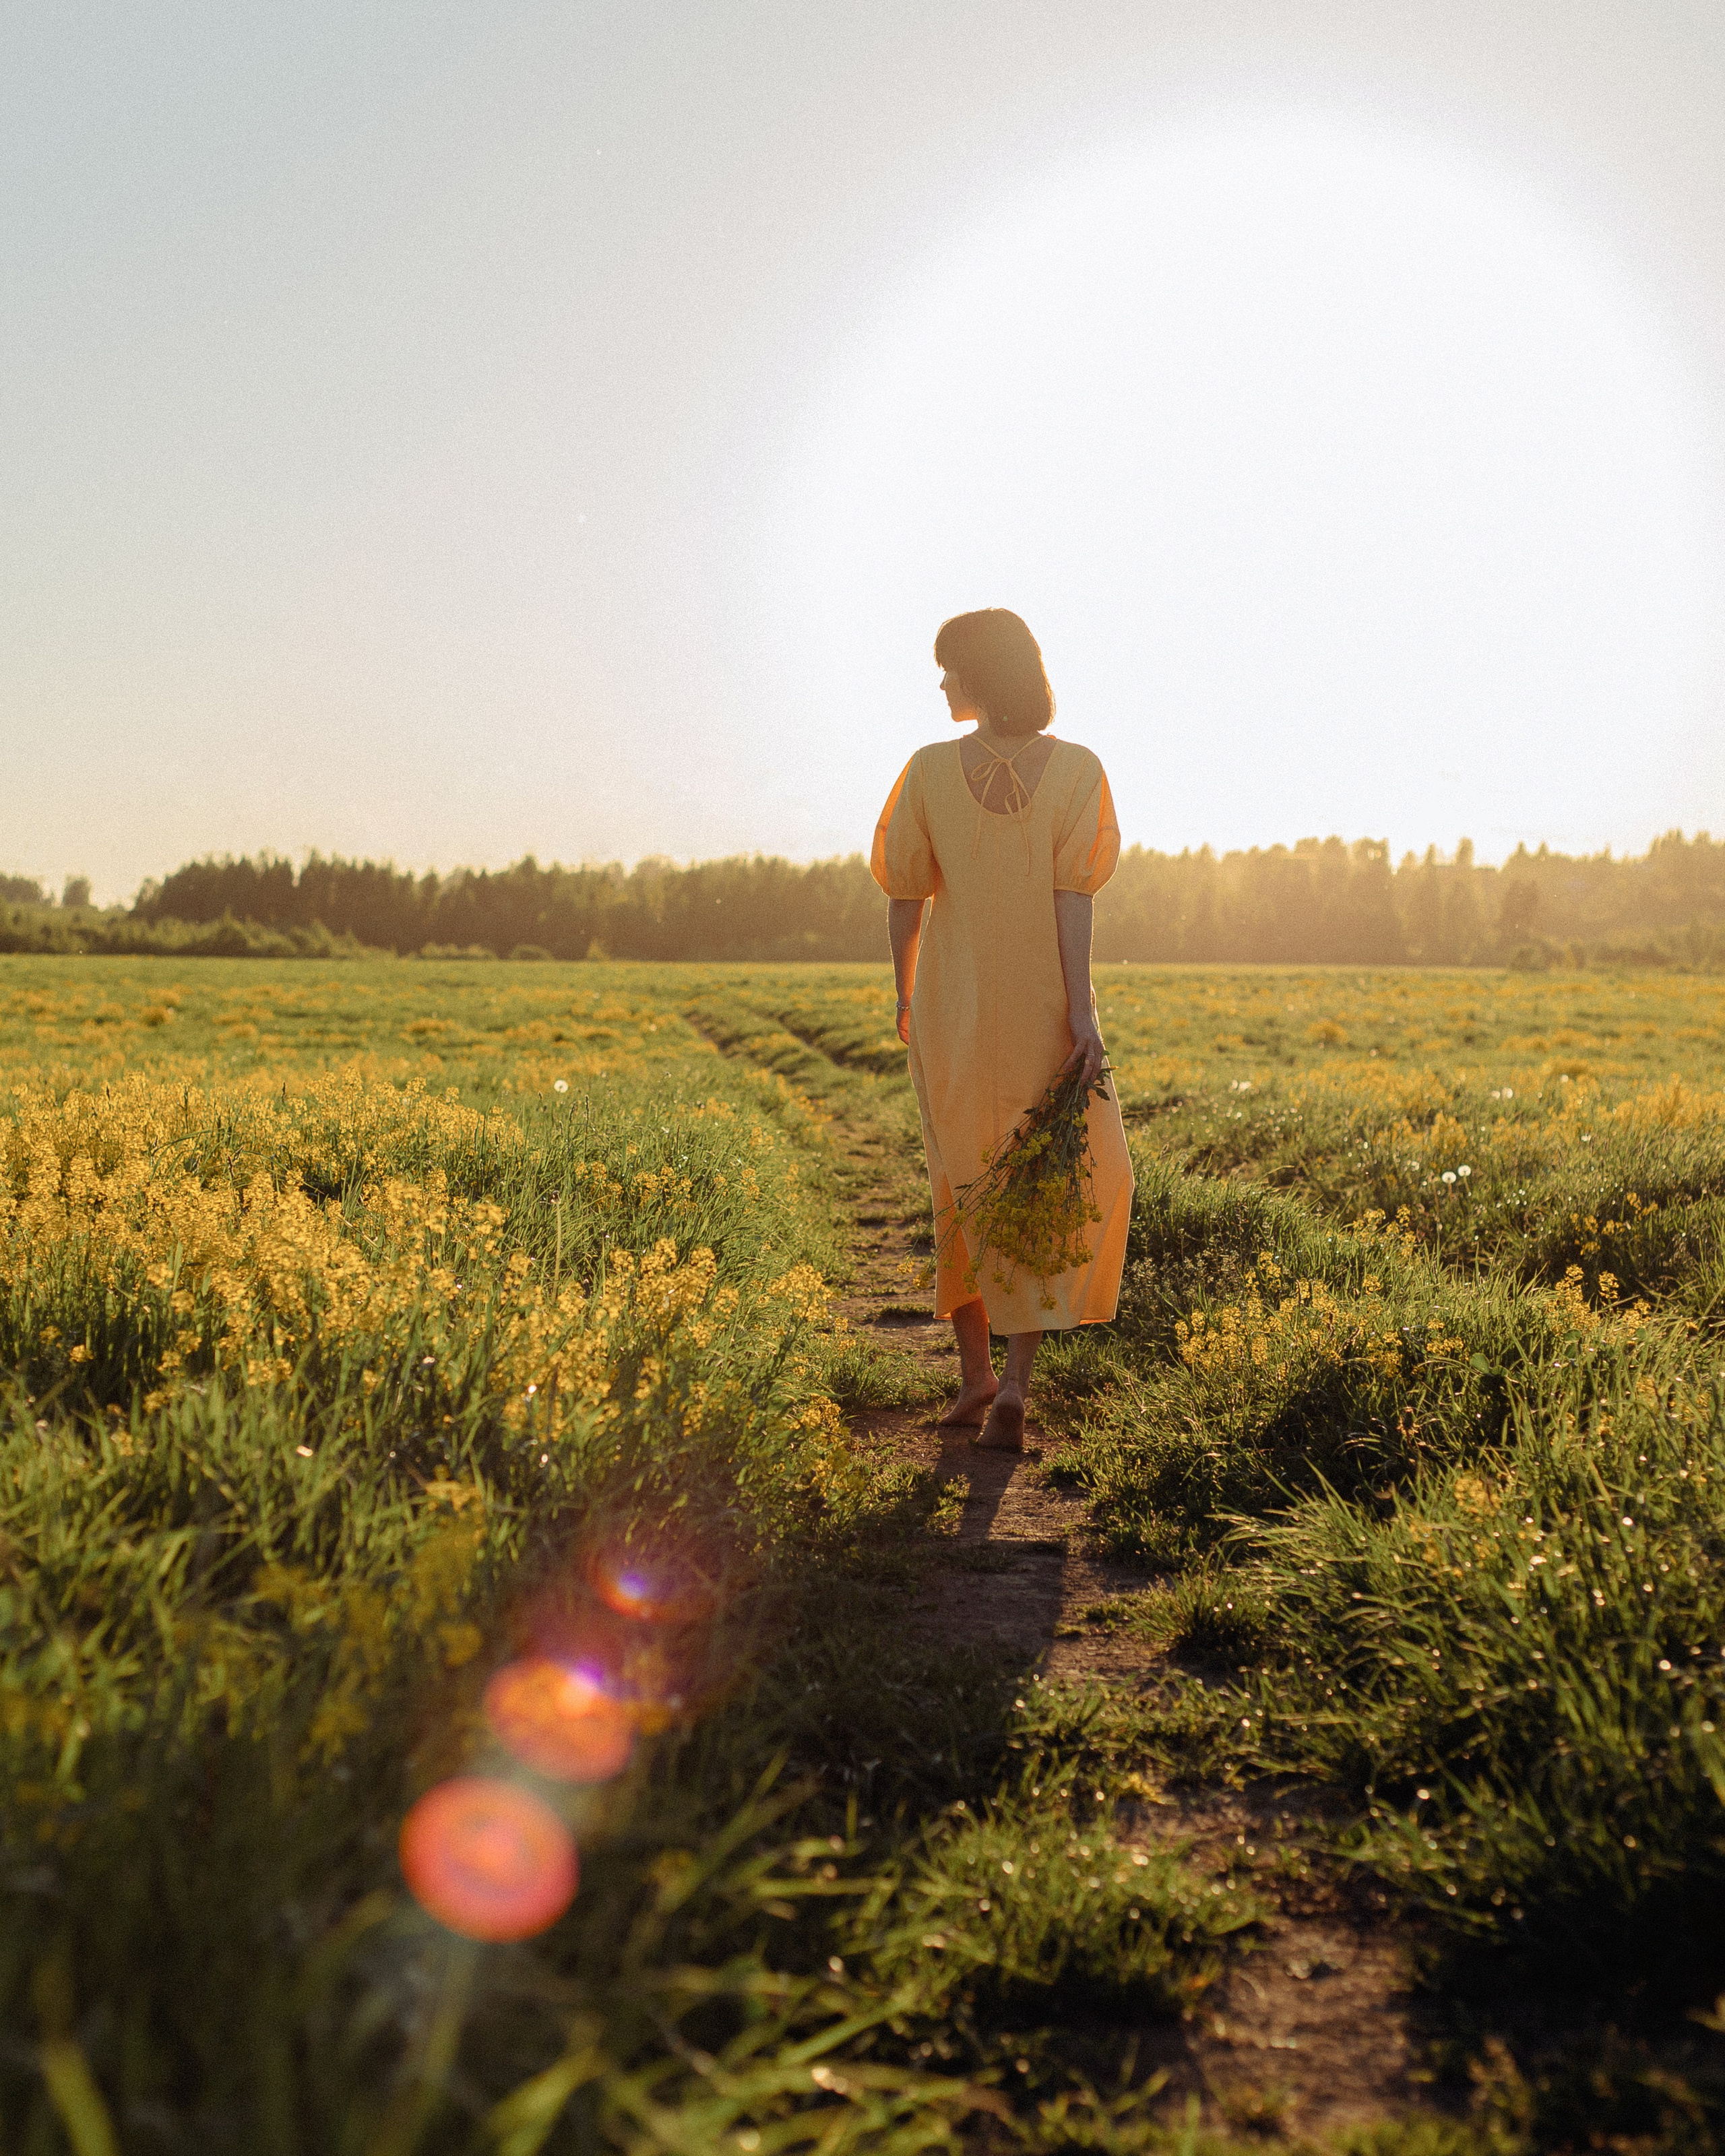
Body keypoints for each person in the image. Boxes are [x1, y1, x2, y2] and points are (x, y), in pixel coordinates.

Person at [870, 608, 1135, 1451]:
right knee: (1036, 1186)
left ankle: (975, 1376)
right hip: (1043, 1007)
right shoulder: (1080, 769)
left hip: (953, 1006)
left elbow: (904, 896)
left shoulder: (926, 769)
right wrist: (1080, 1010)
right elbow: (1073, 901)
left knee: (961, 1179)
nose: (941, 682)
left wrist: (905, 994)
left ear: (978, 675)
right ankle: (1011, 1385)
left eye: (948, 667)